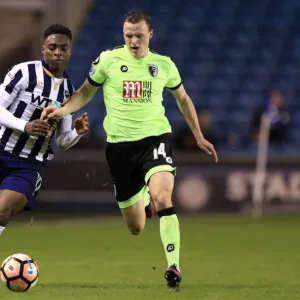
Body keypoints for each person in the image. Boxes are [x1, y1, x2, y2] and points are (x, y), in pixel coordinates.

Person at [41, 12, 218, 290]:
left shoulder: (163, 65)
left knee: (164, 198)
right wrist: (62, 110)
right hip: (120, 149)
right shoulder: (108, 61)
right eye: (128, 36)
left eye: (139, 35)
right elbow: (86, 93)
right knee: (136, 227)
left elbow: (183, 99)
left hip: (155, 139)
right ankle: (143, 198)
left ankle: (174, 266)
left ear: (151, 34)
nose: (133, 41)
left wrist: (198, 135)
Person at [0, 24, 89, 236]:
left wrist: (77, 132)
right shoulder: (23, 72)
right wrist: (25, 126)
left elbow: (61, 142)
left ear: (70, 51)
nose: (57, 52)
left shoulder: (68, 91)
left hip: (29, 164)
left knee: (3, 209)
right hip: (2, 149)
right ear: (43, 49)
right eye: (52, 47)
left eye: (63, 48)